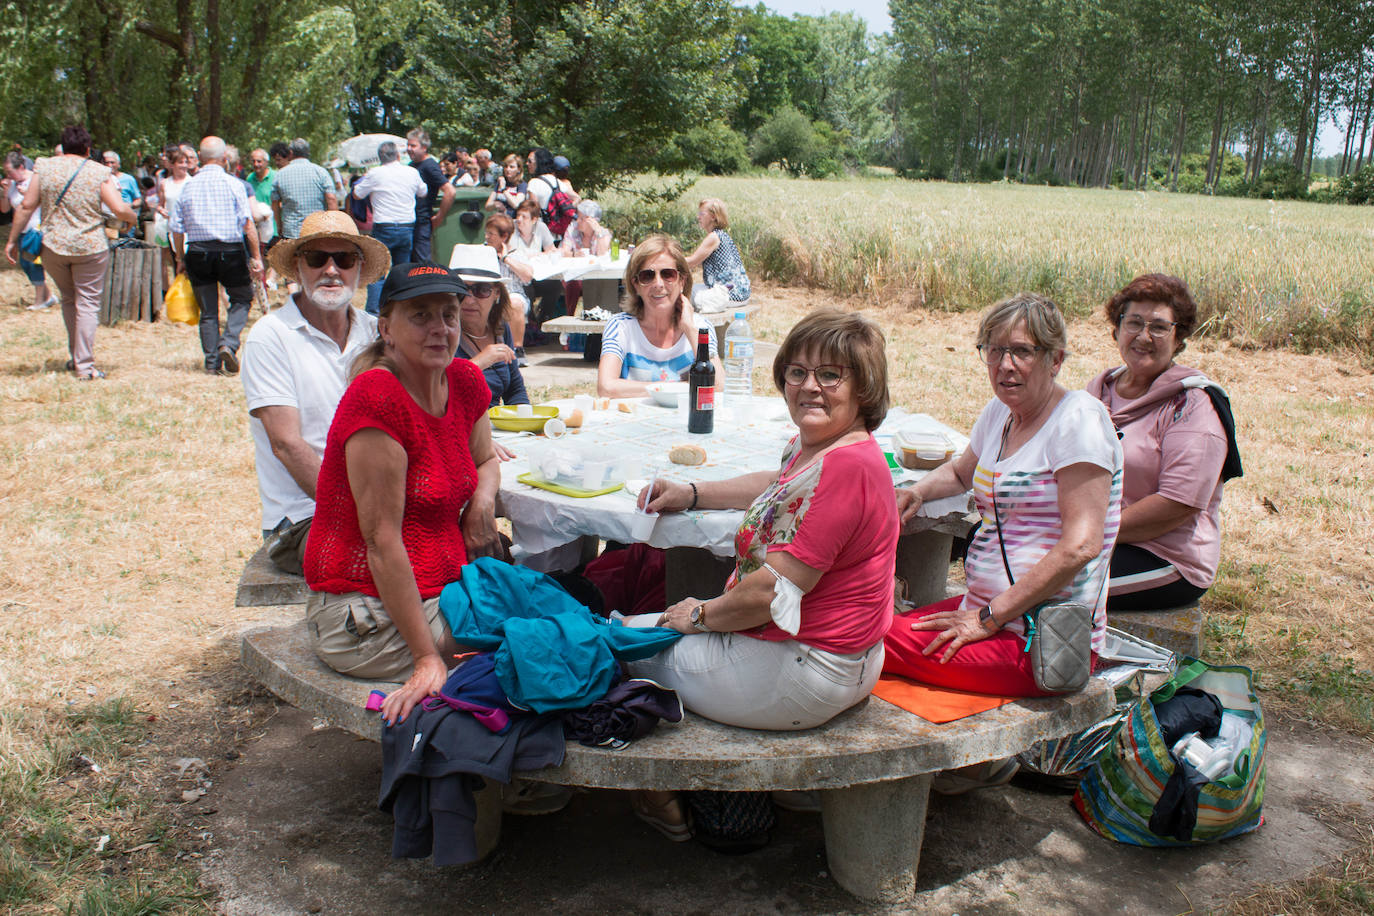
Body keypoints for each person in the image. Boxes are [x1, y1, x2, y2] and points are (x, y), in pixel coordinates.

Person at [623, 309, 897, 831]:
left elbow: (768, 594)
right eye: (797, 372)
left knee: (618, 639)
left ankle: (657, 793)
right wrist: (694, 492)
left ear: (864, 387)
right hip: (840, 660)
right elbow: (776, 481)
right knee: (635, 630)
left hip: (803, 670)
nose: (809, 387)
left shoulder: (845, 469)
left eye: (830, 374)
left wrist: (695, 615)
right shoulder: (825, 448)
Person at [886, 292, 1122, 700]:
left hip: (1038, 642)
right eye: (994, 351)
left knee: (861, 638)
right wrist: (917, 492)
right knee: (864, 620)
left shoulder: (1079, 420)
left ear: (1056, 360)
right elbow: (961, 473)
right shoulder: (1001, 413)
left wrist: (987, 618)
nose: (1005, 365)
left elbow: (1081, 545)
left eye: (1021, 351)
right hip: (988, 611)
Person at [303, 261, 501, 728]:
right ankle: (493, 777)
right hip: (363, 612)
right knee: (523, 640)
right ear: (386, 328)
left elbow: (487, 459)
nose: (440, 328)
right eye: (421, 315)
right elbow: (381, 542)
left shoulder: (465, 381)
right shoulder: (377, 397)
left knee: (554, 610)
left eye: (449, 314)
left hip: (441, 590)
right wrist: (426, 659)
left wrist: (481, 503)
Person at [243, 209, 388, 558]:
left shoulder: (375, 332)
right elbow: (287, 444)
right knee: (403, 558)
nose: (331, 270)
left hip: (380, 507)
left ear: (358, 268)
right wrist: (359, 514)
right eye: (316, 258)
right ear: (298, 267)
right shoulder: (271, 336)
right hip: (304, 518)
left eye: (344, 259)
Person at [1085, 274, 1234, 611]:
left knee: (1041, 580)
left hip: (1164, 557)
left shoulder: (1193, 407)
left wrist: (1087, 531)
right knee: (989, 542)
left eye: (1159, 327)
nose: (1143, 336)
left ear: (1178, 336)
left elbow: (1176, 506)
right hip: (1094, 535)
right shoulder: (1097, 392)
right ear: (1117, 329)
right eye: (1134, 322)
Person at [3, 124, 136, 380]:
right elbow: (119, 209)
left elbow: (27, 205)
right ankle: (85, 366)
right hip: (90, 248)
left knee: (68, 299)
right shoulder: (98, 171)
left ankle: (75, 357)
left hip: (54, 247)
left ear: (62, 147)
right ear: (88, 148)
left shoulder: (45, 166)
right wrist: (132, 219)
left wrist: (11, 241)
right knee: (87, 304)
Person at [169, 136, 265, 374]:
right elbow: (248, 224)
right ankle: (229, 343)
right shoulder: (235, 185)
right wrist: (256, 257)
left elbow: (177, 228)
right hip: (230, 251)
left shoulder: (187, 186)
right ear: (225, 159)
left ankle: (212, 364)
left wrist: (180, 258)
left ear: (200, 158)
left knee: (208, 312)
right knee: (242, 298)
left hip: (198, 251)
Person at [596, 235, 719, 398]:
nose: (658, 284)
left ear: (682, 281)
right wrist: (677, 388)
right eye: (647, 276)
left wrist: (689, 329)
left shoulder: (701, 327)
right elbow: (606, 387)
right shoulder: (620, 327)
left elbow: (718, 385)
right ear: (636, 285)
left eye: (668, 274)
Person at [352, 140, 426, 316]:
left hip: (383, 226)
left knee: (377, 270)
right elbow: (423, 192)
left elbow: (357, 194)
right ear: (398, 156)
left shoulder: (375, 173)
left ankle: (373, 313)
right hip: (407, 226)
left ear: (380, 157)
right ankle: (404, 309)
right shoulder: (411, 172)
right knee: (403, 271)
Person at [452, 243, 528, 408]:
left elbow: (515, 390)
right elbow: (437, 388)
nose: (469, 299)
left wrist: (527, 423)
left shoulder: (500, 327)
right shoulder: (442, 332)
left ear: (497, 293)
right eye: (462, 290)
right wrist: (479, 363)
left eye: (481, 290)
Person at [0, 152, 56, 310]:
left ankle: (40, 301)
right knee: (25, 264)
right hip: (20, 229)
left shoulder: (35, 180)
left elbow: (47, 202)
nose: (8, 175)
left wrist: (29, 196)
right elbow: (4, 210)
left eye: (10, 171)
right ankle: (49, 296)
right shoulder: (11, 184)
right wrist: (5, 193)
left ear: (21, 167)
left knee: (33, 263)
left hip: (36, 228)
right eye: (6, 172)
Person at [481, 216, 532, 363]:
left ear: (504, 236)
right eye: (487, 233)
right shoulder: (483, 251)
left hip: (513, 294)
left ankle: (517, 349)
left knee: (515, 303)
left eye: (491, 234)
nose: (487, 237)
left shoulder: (516, 253)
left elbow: (528, 276)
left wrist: (506, 259)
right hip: (488, 295)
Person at [684, 197, 750, 306]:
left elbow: (692, 262)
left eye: (702, 213)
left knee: (685, 296)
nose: (698, 217)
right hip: (740, 292)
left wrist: (669, 262)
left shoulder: (714, 237)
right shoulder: (721, 235)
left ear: (713, 216)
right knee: (692, 290)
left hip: (730, 295)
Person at [270, 138, 337, 243]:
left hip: (291, 232)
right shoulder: (321, 172)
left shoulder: (280, 174)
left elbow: (275, 204)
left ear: (291, 153)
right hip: (318, 230)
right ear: (308, 153)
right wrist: (334, 225)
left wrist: (279, 226)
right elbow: (331, 199)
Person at [406, 128, 455, 261]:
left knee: (423, 264)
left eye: (413, 146)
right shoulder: (411, 165)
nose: (409, 149)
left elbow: (450, 191)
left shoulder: (429, 166)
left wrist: (439, 216)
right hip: (410, 221)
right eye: (408, 145)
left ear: (424, 147)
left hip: (422, 222)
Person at [560, 199, 611, 316]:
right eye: (578, 217)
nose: (577, 221)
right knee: (573, 283)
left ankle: (598, 322)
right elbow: (564, 252)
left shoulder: (603, 233)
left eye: (582, 219)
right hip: (574, 274)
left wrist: (598, 233)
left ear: (592, 221)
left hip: (594, 276)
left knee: (602, 285)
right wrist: (574, 255)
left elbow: (603, 254)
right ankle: (569, 320)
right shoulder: (572, 229)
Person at [153, 145, 191, 289]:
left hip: (189, 230)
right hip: (170, 228)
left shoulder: (191, 182)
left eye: (186, 162)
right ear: (173, 165)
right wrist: (161, 210)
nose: (184, 165)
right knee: (176, 264)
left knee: (189, 264)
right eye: (180, 162)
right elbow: (160, 204)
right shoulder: (165, 183)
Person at [101, 150, 142, 238]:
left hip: (125, 221)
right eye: (106, 162)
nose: (109, 165)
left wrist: (130, 205)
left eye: (112, 162)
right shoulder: (101, 179)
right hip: (107, 220)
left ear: (118, 164)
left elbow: (138, 200)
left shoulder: (129, 179)